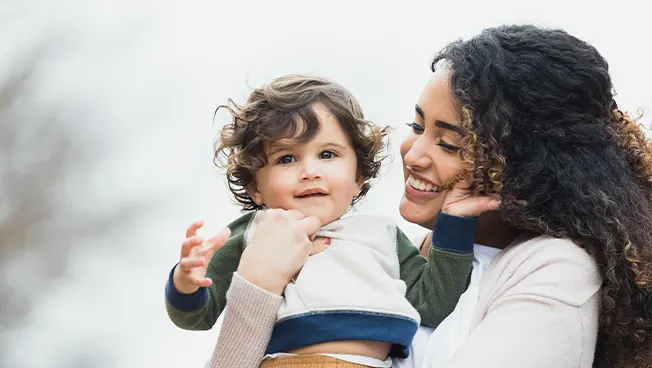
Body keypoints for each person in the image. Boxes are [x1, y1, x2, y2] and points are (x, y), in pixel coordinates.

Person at [203, 25, 652, 368]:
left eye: (449, 143)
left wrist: (256, 288)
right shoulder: (394, 259)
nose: (413, 154)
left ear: (523, 166)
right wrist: (254, 283)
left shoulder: (556, 271)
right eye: (418, 127)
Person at [164, 75, 499, 367]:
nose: (310, 171)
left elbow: (433, 303)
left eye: (328, 154)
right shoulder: (257, 233)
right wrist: (186, 282)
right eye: (287, 158)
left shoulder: (381, 236)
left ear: (359, 175)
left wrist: (453, 223)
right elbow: (198, 316)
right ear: (255, 187)